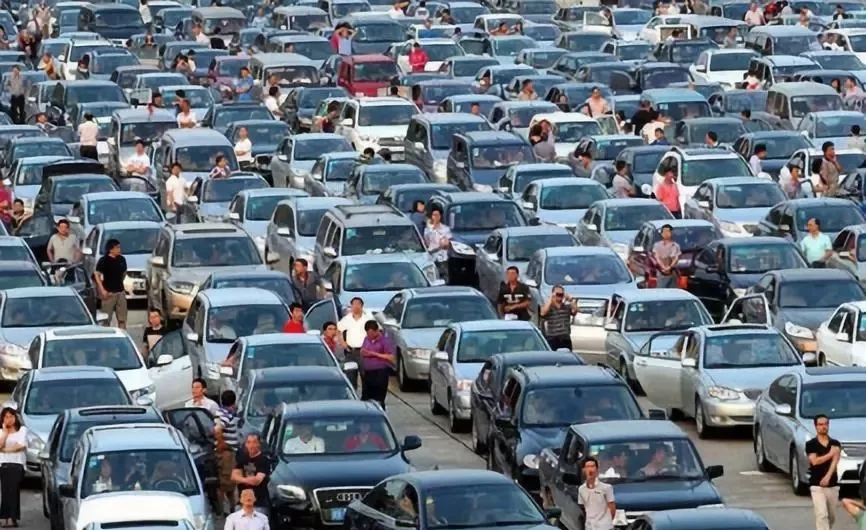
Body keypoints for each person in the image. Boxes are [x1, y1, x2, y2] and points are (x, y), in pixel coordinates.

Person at [807, 414, 841, 530]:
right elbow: (815, 461)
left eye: (826, 424)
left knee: (831, 517)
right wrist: (831, 454)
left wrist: (827, 477)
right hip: (817, 485)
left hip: (832, 485)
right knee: (822, 514)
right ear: (815, 426)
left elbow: (835, 461)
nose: (824, 427)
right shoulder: (811, 444)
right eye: (820, 424)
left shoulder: (835, 443)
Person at [337, 297, 373, 390]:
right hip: (350, 352)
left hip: (364, 352)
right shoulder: (347, 319)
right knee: (350, 377)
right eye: (354, 304)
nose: (356, 306)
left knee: (366, 377)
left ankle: (366, 396)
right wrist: (343, 343)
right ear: (351, 306)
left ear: (362, 306)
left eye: (358, 304)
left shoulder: (367, 319)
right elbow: (339, 330)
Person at [215, 390, 240, 515]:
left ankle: (232, 508)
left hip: (229, 453)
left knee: (230, 484)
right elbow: (217, 429)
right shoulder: (226, 415)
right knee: (225, 483)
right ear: (233, 402)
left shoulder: (221, 412)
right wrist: (222, 443)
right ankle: (224, 511)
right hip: (226, 454)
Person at [360, 320, 395, 409]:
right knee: (366, 397)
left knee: (379, 397)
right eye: (368, 334)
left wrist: (374, 354)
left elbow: (391, 357)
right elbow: (363, 350)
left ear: (376, 331)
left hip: (380, 372)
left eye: (371, 334)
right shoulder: (366, 339)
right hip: (368, 372)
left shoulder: (385, 341)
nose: (370, 336)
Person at [232, 434, 271, 514]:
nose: (251, 446)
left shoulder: (264, 460)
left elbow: (256, 481)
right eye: (249, 442)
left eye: (254, 442)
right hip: (242, 503)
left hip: (259, 504)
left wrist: (241, 479)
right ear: (245, 444)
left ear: (259, 444)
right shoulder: (242, 458)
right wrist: (247, 480)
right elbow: (233, 477)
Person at [0, 408, 26, 528]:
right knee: (5, 491)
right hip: (3, 464)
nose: (9, 419)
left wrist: (5, 450)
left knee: (13, 490)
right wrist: (5, 434)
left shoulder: (22, 430)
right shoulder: (1, 432)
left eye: (11, 416)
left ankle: (12, 517)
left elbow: (20, 446)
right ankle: (4, 517)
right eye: (6, 417)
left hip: (17, 464)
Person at [94, 239, 128, 328]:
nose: (119, 249)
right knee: (105, 319)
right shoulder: (103, 260)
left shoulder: (122, 259)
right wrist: (102, 290)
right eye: (117, 247)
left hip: (120, 292)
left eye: (119, 247)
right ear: (111, 249)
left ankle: (122, 333)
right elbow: (97, 275)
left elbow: (124, 273)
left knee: (122, 318)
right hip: (109, 292)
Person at [578, 457, 616, 530]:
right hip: (589, 527)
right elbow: (583, 508)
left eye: (593, 466)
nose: (590, 469)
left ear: (597, 469)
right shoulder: (581, 489)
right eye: (588, 467)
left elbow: (612, 508)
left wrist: (606, 522)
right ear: (583, 470)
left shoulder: (606, 488)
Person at [540, 285, 577, 350]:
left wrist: (570, 300)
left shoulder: (566, 307)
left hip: (565, 338)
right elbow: (543, 313)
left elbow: (575, 311)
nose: (560, 296)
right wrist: (551, 298)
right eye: (558, 294)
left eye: (561, 294)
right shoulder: (549, 307)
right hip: (552, 338)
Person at [424, 207, 451, 280]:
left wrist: (438, 247)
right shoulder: (427, 230)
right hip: (431, 259)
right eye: (434, 215)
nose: (436, 217)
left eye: (437, 215)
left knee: (445, 277)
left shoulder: (445, 229)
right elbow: (427, 244)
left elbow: (446, 244)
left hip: (443, 259)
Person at [652, 224, 681, 288]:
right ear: (661, 233)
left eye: (668, 232)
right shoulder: (657, 245)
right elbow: (657, 257)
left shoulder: (675, 246)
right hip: (660, 273)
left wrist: (669, 267)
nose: (666, 234)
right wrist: (663, 267)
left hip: (672, 273)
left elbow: (675, 258)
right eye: (664, 232)